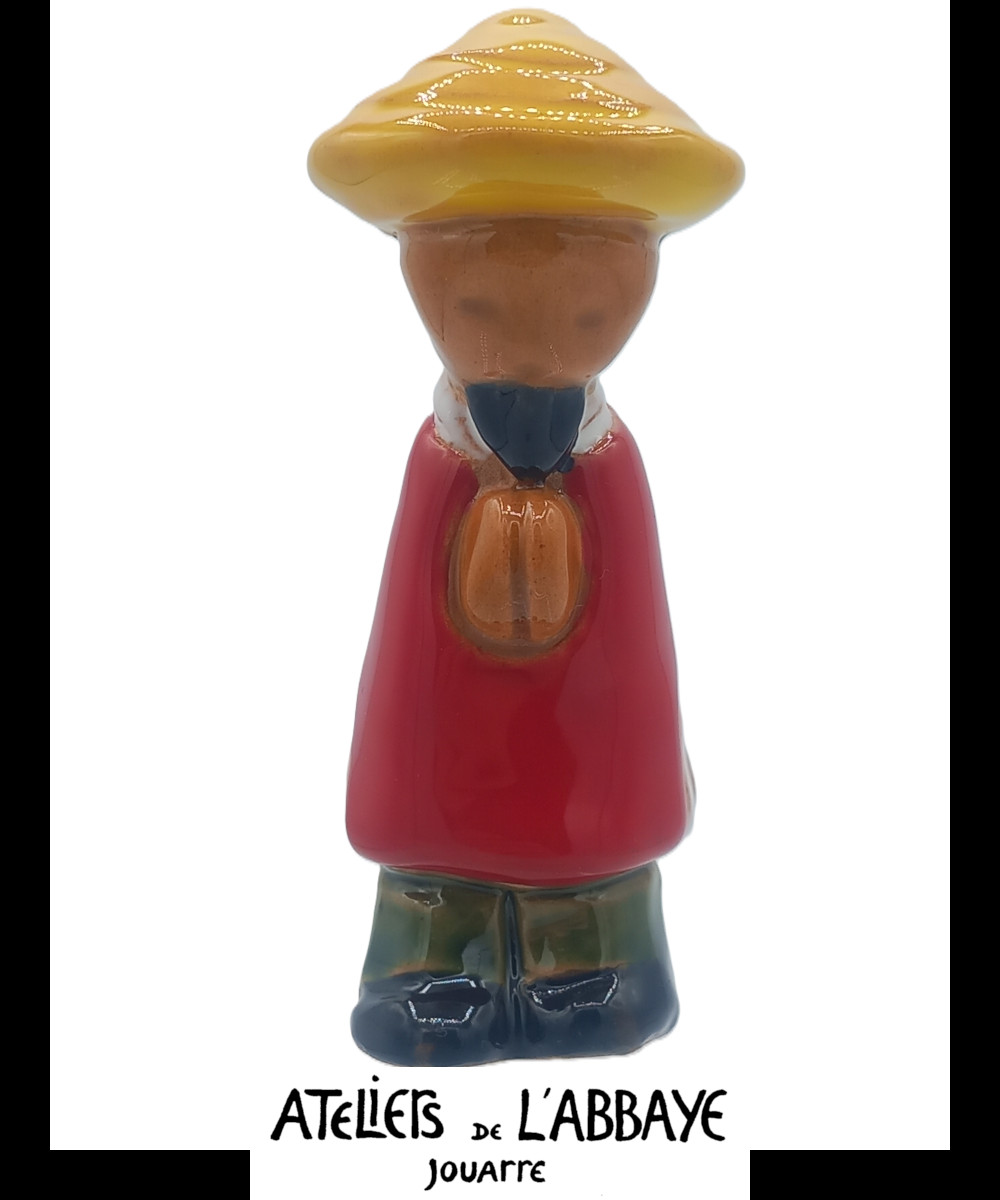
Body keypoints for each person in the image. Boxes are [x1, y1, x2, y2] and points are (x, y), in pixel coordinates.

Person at [308, 10, 743, 1064]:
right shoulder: (439, 461)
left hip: (588, 721)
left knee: (592, 785)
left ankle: (591, 960)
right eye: (479, 306)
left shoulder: (608, 464)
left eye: (589, 317)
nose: (531, 343)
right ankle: (432, 959)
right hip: (449, 715)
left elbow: (628, 625)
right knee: (435, 782)